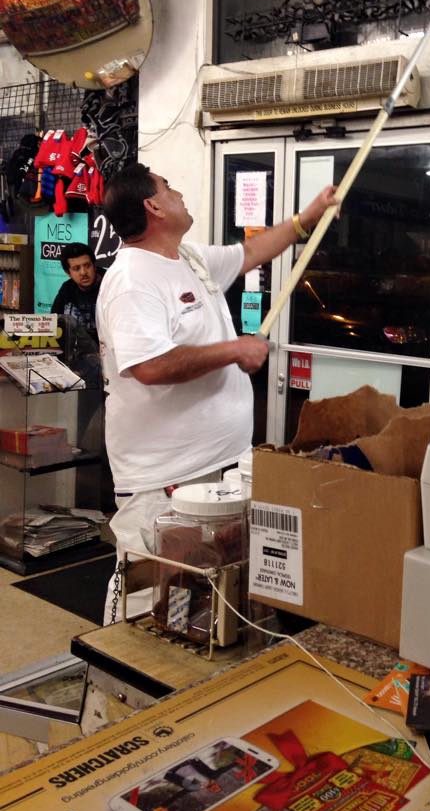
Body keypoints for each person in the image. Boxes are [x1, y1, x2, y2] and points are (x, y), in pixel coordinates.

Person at [96, 162, 337, 622]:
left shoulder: (188, 258)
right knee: (148, 593)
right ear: (153, 206)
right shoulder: (131, 280)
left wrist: (307, 218)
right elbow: (148, 366)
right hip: (164, 479)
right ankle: (114, 666)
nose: (178, 193)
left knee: (196, 595)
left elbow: (251, 252)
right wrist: (233, 350)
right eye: (168, 187)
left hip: (218, 465)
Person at [51, 242, 104, 343]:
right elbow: (54, 323)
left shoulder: (109, 284)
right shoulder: (67, 289)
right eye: (76, 268)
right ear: (68, 273)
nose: (83, 272)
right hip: (74, 350)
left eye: (87, 266)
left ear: (94, 266)